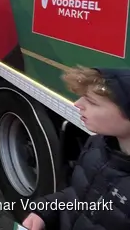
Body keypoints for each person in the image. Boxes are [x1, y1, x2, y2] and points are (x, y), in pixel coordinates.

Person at [21, 66, 130, 230]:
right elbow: (79, 195)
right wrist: (43, 211)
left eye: (92, 102)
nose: (78, 104)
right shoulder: (97, 145)